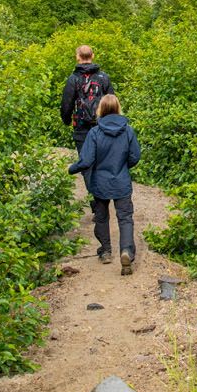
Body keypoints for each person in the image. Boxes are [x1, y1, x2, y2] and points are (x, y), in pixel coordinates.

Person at [68, 94, 141, 274]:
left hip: (100, 182)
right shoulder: (128, 131)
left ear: (100, 109)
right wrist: (123, 167)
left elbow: (86, 160)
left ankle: (106, 252)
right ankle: (126, 252)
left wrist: (71, 169)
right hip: (121, 181)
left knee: (101, 217)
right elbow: (135, 157)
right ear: (118, 108)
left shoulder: (95, 132)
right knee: (125, 218)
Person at [60, 45, 113, 155]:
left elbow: (67, 103)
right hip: (102, 125)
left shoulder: (73, 78)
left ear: (78, 57)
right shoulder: (103, 77)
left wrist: (67, 120)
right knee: (102, 159)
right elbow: (112, 101)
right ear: (92, 56)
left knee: (85, 160)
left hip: (81, 125)